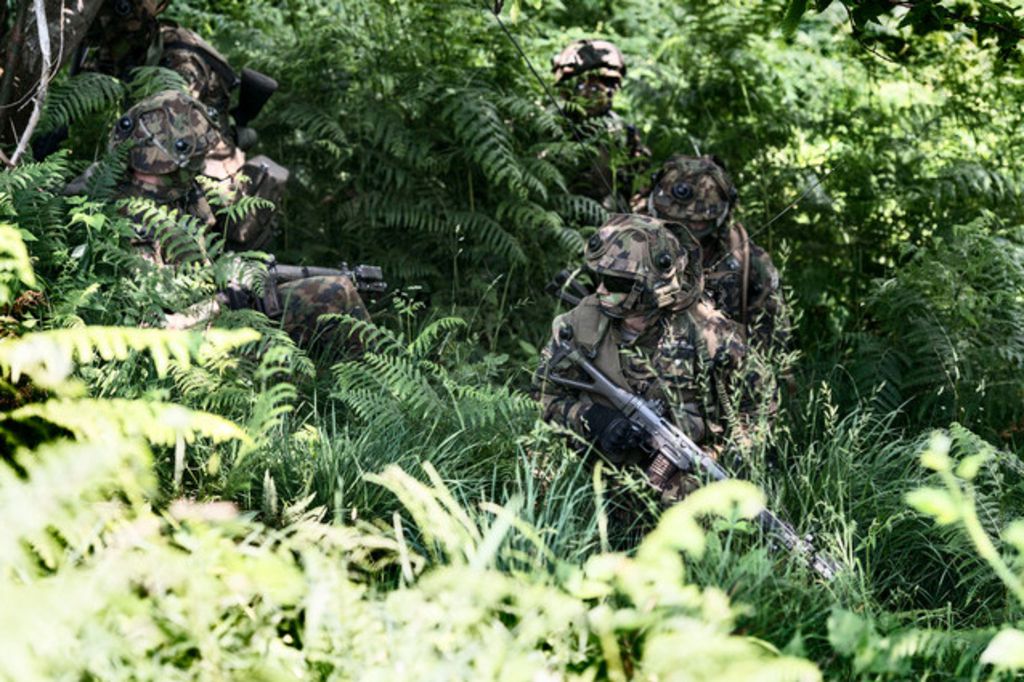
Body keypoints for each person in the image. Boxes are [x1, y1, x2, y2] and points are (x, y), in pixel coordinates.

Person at [99, 89, 369, 350]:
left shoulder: (171, 192)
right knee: (336, 292)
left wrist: (237, 283)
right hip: (191, 342)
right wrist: (225, 301)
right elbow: (154, 323)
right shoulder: (126, 218)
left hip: (214, 309)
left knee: (336, 290)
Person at [534, 213, 765, 502]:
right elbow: (542, 397)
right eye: (599, 278)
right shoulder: (581, 323)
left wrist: (733, 457)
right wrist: (591, 418)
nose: (601, 290)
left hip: (689, 476)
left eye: (615, 283)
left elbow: (759, 406)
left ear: (648, 287)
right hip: (596, 473)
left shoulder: (711, 335)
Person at [76, 0, 286, 251]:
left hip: (196, 166)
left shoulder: (181, 58)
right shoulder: (116, 49)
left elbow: (168, 141)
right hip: (159, 157)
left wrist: (93, 180)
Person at [642, 154, 787, 351]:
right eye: (672, 224)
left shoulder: (748, 262)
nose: (682, 237)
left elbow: (774, 345)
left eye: (696, 226)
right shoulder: (632, 243)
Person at [551, 39, 651, 212]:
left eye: (604, 83)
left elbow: (639, 185)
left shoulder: (621, 130)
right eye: (582, 83)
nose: (593, 91)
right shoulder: (549, 122)